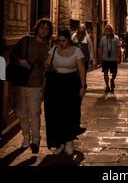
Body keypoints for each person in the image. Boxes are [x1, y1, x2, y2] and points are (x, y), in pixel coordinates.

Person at [9, 18, 53, 153]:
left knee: (35, 113)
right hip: (20, 82)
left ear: (49, 32)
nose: (43, 31)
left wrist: (43, 87)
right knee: (22, 113)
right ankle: (26, 137)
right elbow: (12, 54)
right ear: (37, 28)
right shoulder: (25, 40)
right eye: (42, 27)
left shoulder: (47, 49)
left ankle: (35, 140)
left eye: (46, 29)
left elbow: (46, 70)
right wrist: (20, 60)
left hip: (35, 85)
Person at [44, 29, 86, 155]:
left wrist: (83, 86)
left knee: (70, 112)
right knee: (55, 113)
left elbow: (82, 69)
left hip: (71, 83)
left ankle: (69, 141)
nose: (61, 43)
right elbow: (47, 63)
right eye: (59, 40)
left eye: (64, 40)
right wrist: (48, 67)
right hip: (55, 83)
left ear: (68, 39)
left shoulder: (77, 51)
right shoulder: (54, 49)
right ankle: (59, 143)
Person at [99, 24, 121, 93]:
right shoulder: (103, 38)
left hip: (113, 58)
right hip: (105, 58)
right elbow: (100, 48)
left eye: (110, 29)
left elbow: (118, 48)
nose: (108, 30)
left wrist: (118, 56)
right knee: (105, 72)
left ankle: (112, 80)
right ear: (105, 30)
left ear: (112, 30)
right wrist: (100, 56)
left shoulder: (116, 38)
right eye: (107, 29)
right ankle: (107, 86)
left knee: (114, 72)